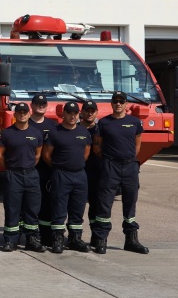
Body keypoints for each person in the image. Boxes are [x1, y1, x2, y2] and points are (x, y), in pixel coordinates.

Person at [92, 91, 149, 254]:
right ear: (111, 103)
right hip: (110, 167)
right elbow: (97, 147)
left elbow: (137, 145)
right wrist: (111, 161)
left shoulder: (135, 122)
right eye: (115, 101)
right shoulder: (103, 123)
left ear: (126, 104)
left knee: (130, 203)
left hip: (130, 167)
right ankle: (100, 240)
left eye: (121, 101)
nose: (118, 104)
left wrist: (127, 159)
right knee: (105, 204)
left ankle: (131, 240)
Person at [0, 102, 45, 252]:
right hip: (13, 174)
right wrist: (8, 168)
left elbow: (38, 155)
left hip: (31, 174)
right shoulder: (7, 133)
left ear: (29, 114)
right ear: (15, 115)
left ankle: (32, 240)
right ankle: (11, 240)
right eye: (19, 112)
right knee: (12, 208)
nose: (22, 114)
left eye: (25, 112)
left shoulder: (36, 133)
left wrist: (27, 166)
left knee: (32, 209)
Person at [42, 101, 92, 254]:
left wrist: (75, 165)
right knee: (59, 208)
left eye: (75, 113)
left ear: (79, 115)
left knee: (78, 208)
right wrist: (60, 167)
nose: (72, 116)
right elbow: (46, 155)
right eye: (69, 113)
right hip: (61, 174)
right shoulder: (54, 132)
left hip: (79, 175)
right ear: (63, 114)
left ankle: (75, 239)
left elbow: (86, 153)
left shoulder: (84, 133)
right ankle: (57, 239)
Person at [29, 94, 57, 247]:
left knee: (47, 204)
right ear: (31, 105)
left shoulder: (53, 126)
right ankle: (30, 235)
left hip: (46, 171)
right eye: (37, 103)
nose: (41, 105)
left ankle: (46, 235)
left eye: (43, 103)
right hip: (29, 171)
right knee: (30, 204)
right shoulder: (25, 123)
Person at [80, 100, 102, 238]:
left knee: (96, 207)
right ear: (81, 112)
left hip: (97, 173)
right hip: (78, 173)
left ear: (96, 113)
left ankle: (96, 237)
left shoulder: (101, 130)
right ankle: (74, 237)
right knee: (76, 207)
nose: (89, 113)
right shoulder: (74, 128)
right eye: (87, 110)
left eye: (92, 111)